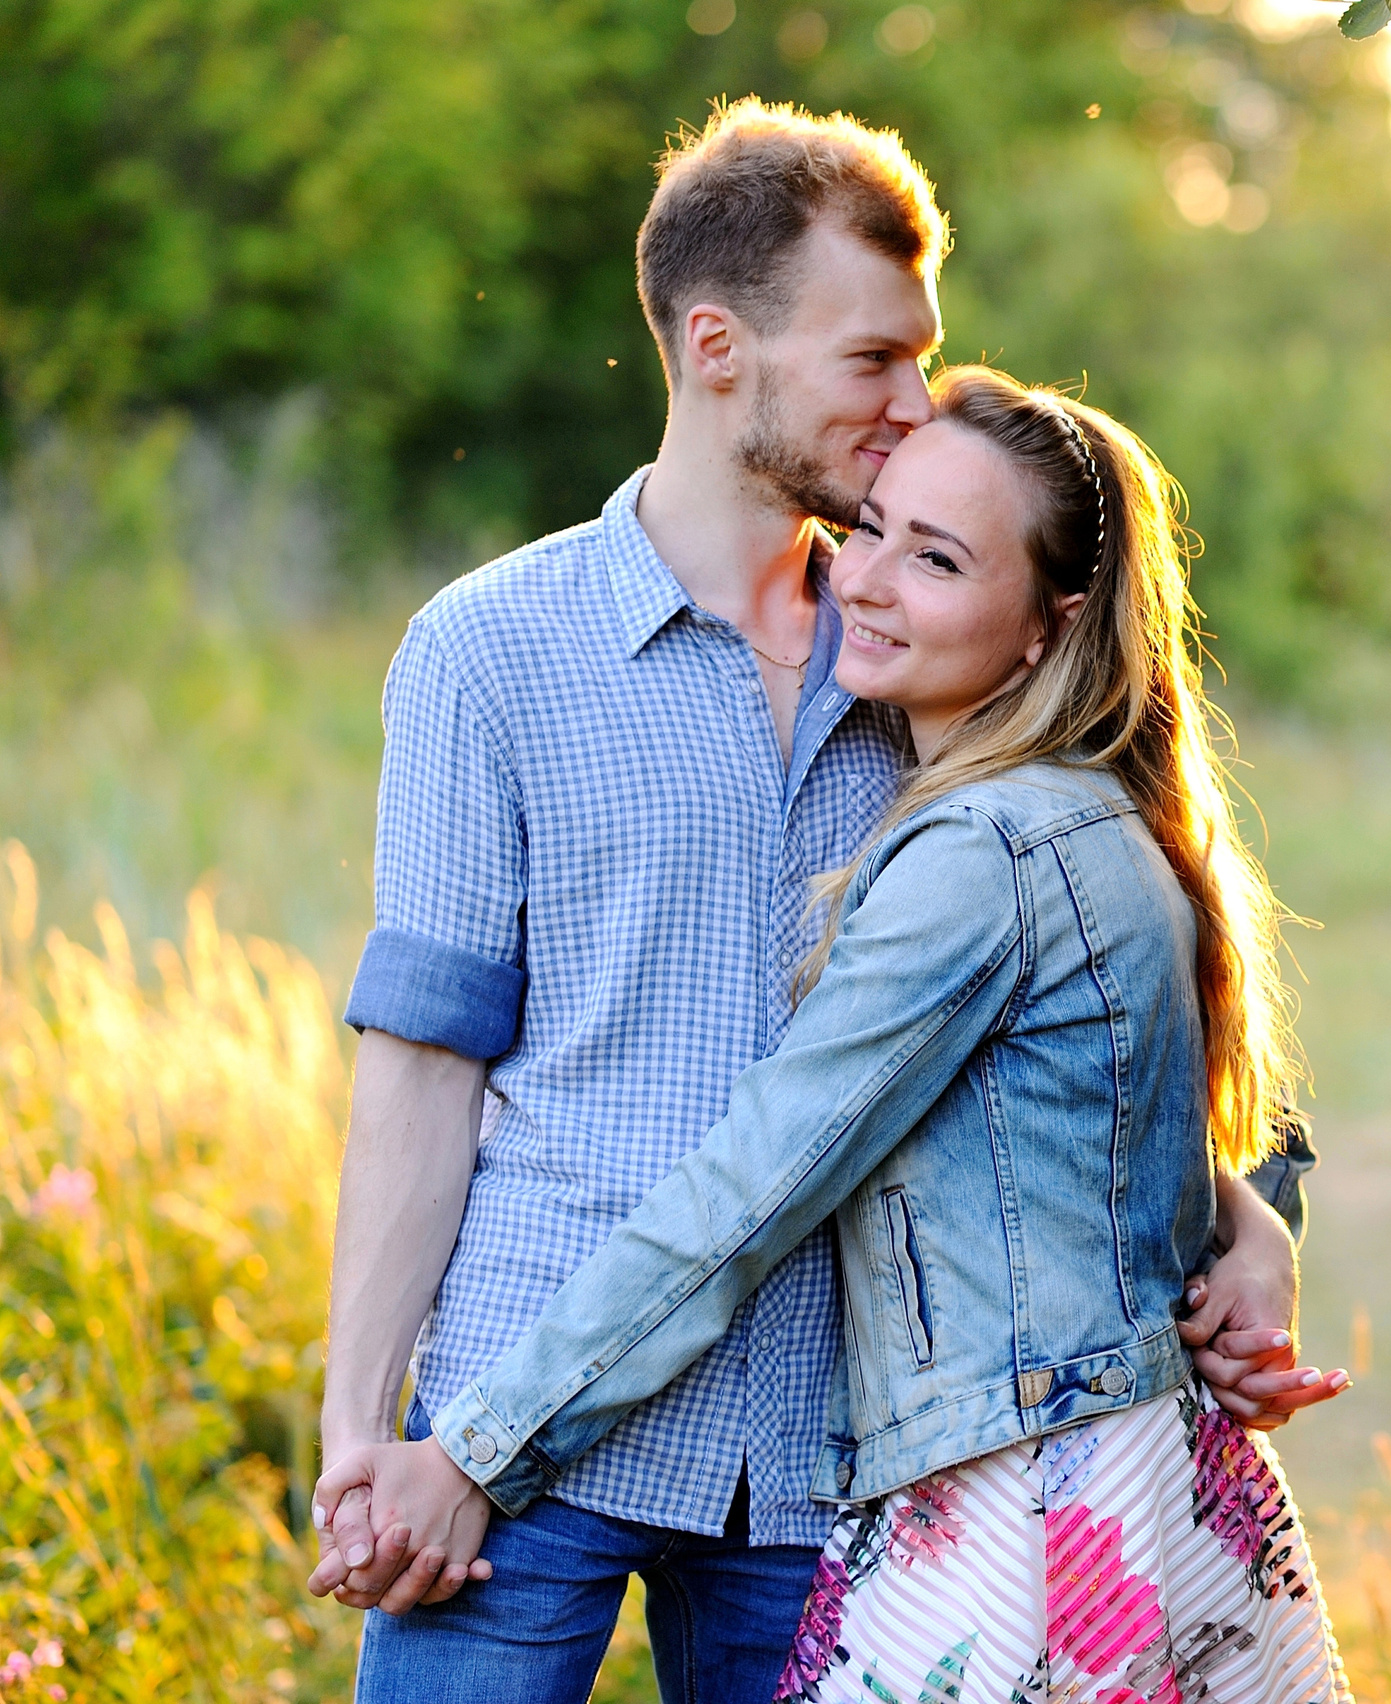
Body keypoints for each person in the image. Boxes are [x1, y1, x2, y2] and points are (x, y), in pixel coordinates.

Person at [313, 101, 1333, 1703]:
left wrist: (1240, 1208)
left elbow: (1047, 1040)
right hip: (523, 1430)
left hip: (830, 1445)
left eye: (924, 356)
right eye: (874, 362)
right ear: (718, 347)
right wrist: (364, 1429)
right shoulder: (486, 652)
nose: (914, 400)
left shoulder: (934, 664)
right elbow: (422, 1065)